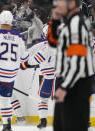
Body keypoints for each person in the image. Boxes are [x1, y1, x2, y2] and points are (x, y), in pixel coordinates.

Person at [46, 0, 94, 131]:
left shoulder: (77, 24)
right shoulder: (67, 23)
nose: (55, 4)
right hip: (68, 82)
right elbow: (53, 43)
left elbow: (78, 62)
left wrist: (64, 87)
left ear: (72, 4)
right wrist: (54, 21)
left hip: (75, 85)